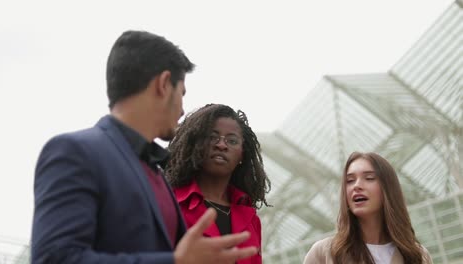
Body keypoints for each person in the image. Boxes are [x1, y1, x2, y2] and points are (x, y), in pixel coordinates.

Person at [31, 30, 258, 264]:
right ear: (163, 84)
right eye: (182, 93)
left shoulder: (157, 177)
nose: (182, 110)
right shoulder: (74, 152)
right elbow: (54, 259)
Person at [165, 103, 271, 264]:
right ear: (194, 144)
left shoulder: (251, 218)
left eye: (232, 141)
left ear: (243, 154)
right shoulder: (168, 203)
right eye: (212, 137)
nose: (221, 145)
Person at [303, 152, 433, 264]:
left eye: (369, 178)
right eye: (350, 180)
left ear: (388, 189)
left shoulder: (418, 256)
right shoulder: (324, 253)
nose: (357, 186)